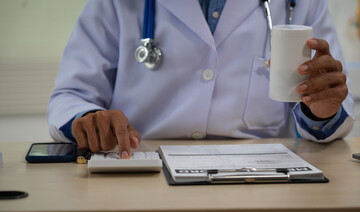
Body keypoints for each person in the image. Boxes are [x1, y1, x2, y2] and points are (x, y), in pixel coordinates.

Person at [48, 0, 355, 159]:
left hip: (261, 182)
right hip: (140, 172)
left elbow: (331, 95)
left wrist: (320, 110)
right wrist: (89, 118)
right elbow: (71, 95)